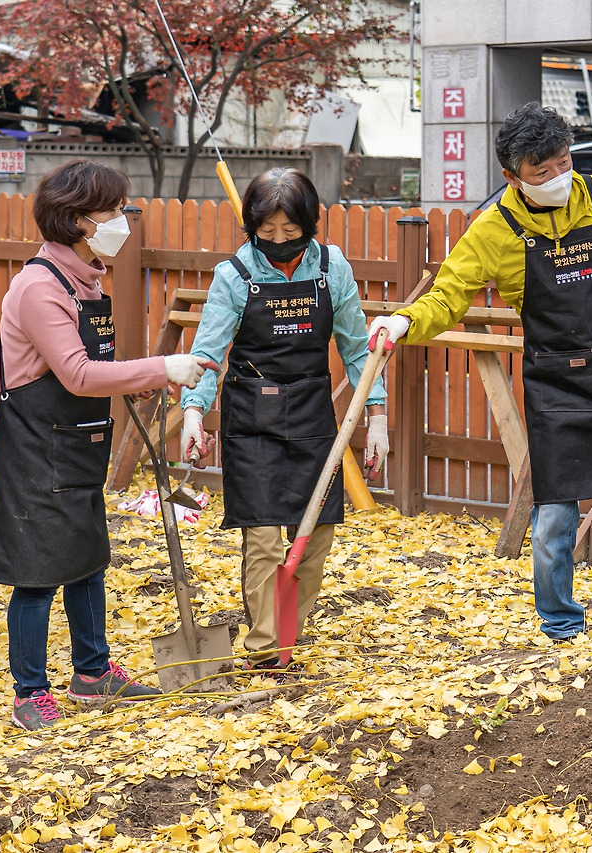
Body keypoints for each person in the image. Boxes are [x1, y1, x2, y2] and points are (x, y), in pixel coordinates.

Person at [369, 103, 592, 644]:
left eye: (564, 162)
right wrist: (403, 322)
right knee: (555, 514)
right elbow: (448, 296)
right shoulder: (493, 229)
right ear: (512, 176)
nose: (558, 176)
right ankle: (560, 622)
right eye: (542, 172)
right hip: (556, 386)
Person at [0, 160, 215, 730]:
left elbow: (94, 366)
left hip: (75, 444)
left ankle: (91, 674)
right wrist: (163, 366)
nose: (120, 219)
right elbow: (78, 374)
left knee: (86, 561)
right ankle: (29, 692)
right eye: (111, 211)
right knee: (36, 574)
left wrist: (136, 385)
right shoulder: (39, 288)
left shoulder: (85, 279)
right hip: (34, 450)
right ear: (79, 220)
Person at [180, 168, 388, 671]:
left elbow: (358, 349)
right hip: (253, 416)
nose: (277, 242)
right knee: (263, 537)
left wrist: (377, 418)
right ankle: (265, 649)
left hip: (312, 413)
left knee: (317, 533)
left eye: (289, 231)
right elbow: (208, 352)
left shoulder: (331, 268)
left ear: (309, 225)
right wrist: (192, 413)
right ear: (252, 227)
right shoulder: (235, 274)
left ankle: (287, 634)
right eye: (266, 231)